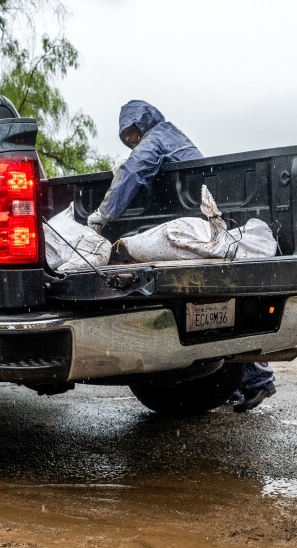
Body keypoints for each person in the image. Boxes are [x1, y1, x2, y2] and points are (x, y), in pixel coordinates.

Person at [90, 101, 278, 413]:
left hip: (191, 230)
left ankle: (256, 379)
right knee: (222, 310)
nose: (133, 139)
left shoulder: (156, 139)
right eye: (128, 137)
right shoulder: (171, 136)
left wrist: (102, 215)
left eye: (134, 131)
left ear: (144, 122)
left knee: (210, 313)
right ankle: (251, 381)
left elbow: (133, 174)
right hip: (202, 223)